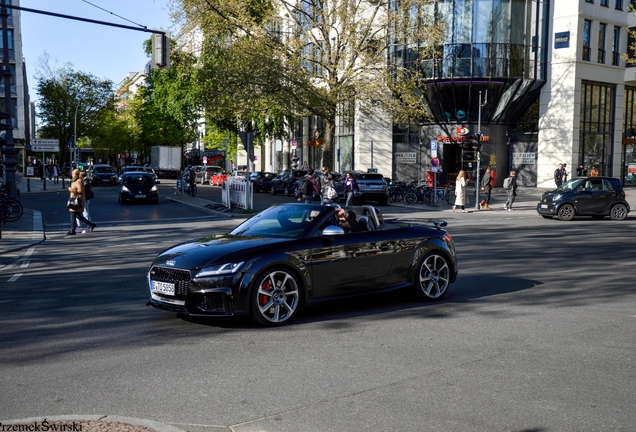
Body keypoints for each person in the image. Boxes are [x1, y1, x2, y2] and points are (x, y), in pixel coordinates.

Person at [66, 169, 95, 235]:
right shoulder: (75, 180)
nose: (72, 175)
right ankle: (90, 224)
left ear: (76, 175)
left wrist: (71, 190)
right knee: (78, 216)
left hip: (77, 201)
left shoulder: (79, 181)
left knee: (73, 215)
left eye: (73, 174)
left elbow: (80, 191)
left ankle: (73, 230)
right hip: (75, 200)